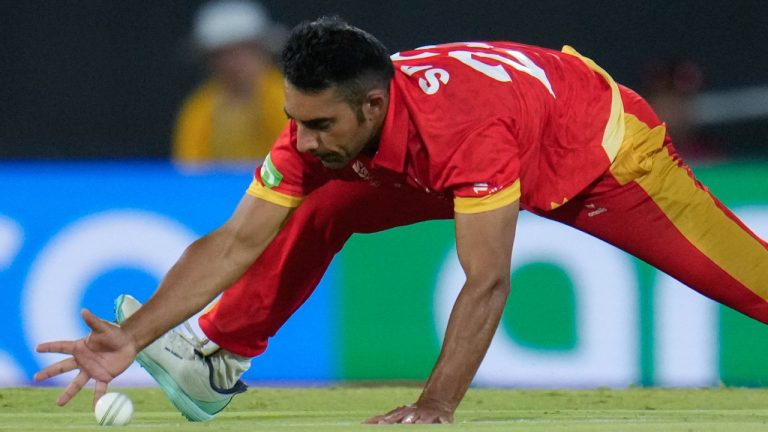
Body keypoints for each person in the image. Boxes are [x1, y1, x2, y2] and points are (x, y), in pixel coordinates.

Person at [35, 17, 768, 424]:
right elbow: (235, 242)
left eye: (319, 124)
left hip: (597, 154)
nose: (303, 139)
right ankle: (217, 359)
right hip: (471, 146)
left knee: (750, 287)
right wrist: (134, 337)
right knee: (315, 204)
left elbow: (487, 280)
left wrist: (434, 408)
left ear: (372, 106)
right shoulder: (321, 129)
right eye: (297, 119)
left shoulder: (461, 132)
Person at [172, 0, 287, 163]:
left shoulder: (290, 99)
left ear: (262, 49)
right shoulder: (198, 109)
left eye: (244, 50)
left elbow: (300, 159)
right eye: (224, 55)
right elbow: (189, 170)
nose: (234, 63)